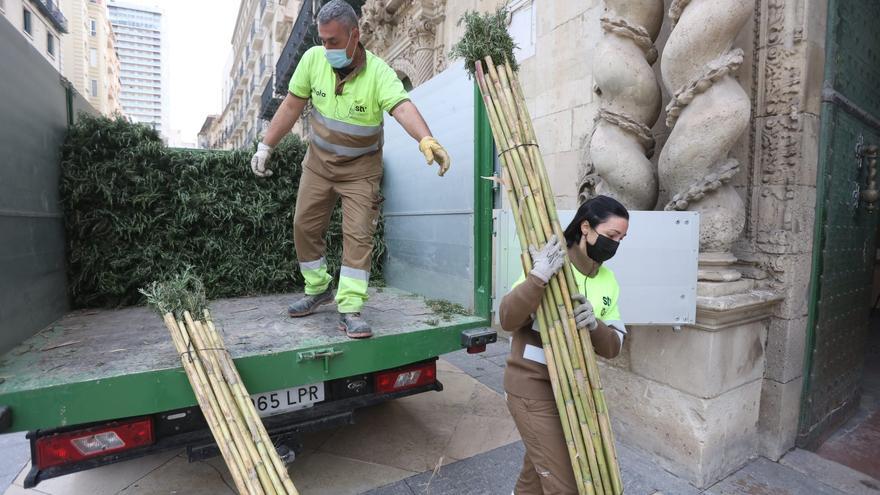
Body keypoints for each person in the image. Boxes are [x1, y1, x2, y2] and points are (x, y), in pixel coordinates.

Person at [251, 0, 450, 339]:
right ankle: (318, 289)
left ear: (354, 36)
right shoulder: (313, 60)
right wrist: (266, 145)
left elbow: (402, 107)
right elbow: (291, 105)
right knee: (303, 225)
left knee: (358, 235)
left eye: (332, 41)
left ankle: (350, 307)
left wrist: (426, 138)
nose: (325, 48)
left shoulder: (379, 73)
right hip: (318, 165)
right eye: (322, 39)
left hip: (361, 170)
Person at [500, 195, 629, 495]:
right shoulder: (551, 262)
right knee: (567, 484)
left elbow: (614, 347)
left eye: (622, 238)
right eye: (612, 235)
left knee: (537, 470)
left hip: (577, 391)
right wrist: (537, 277)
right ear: (586, 227)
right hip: (533, 386)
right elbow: (507, 318)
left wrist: (595, 325)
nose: (616, 244)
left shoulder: (608, 280)